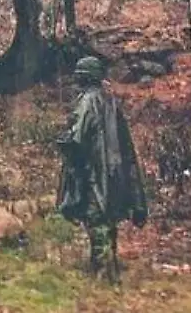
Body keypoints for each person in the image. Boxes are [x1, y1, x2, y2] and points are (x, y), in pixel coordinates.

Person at [56, 56, 148, 283]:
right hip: (114, 175)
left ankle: (104, 274)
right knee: (107, 222)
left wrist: (63, 143)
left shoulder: (88, 102)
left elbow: (77, 141)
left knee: (97, 223)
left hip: (93, 175)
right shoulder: (110, 101)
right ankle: (108, 268)